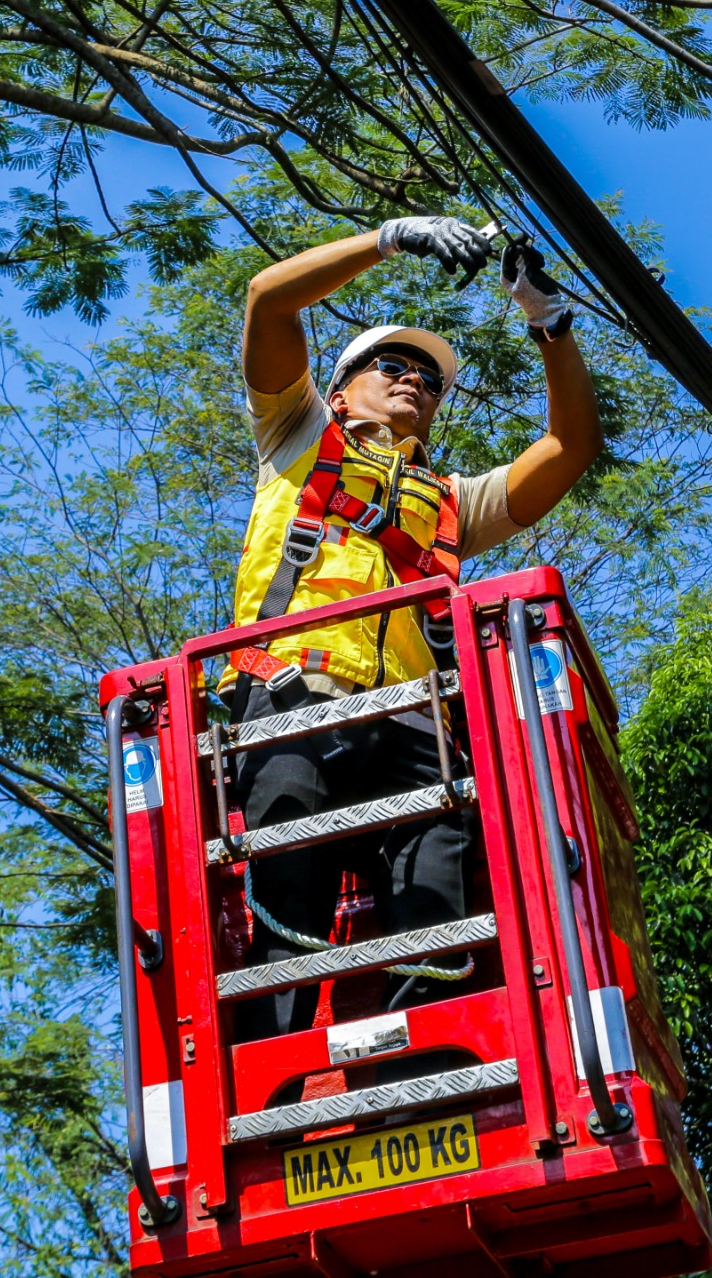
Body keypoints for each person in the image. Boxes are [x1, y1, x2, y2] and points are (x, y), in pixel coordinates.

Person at [227, 214, 601, 1041]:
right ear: (339, 391)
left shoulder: (450, 502)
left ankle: (423, 1058)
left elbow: (570, 447)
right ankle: (271, 1076)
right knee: (290, 906)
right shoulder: (296, 436)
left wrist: (549, 322)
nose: (414, 383)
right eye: (391, 367)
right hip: (295, 693)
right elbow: (268, 299)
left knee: (436, 897)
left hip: (411, 719)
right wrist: (392, 238)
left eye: (429, 381)